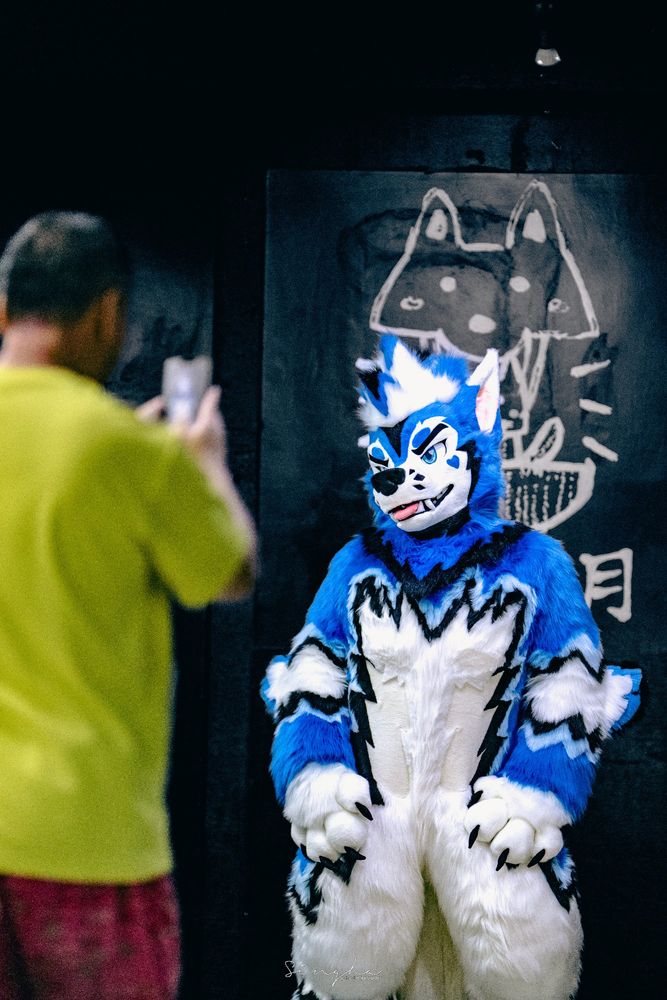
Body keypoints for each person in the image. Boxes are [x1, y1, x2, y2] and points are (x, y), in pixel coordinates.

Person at [0, 211, 257, 998]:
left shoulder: (121, 451)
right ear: (108, 313)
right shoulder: (129, 451)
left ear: (3, 310)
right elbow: (231, 573)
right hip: (88, 841)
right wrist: (201, 464)